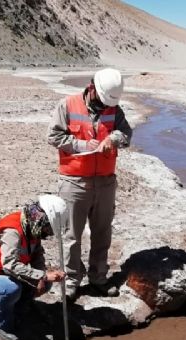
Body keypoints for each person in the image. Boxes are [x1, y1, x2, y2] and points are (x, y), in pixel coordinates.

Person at [47, 68, 132, 300]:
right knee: (71, 235)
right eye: (103, 100)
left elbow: (126, 133)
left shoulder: (114, 110)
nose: (105, 106)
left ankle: (98, 277)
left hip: (105, 182)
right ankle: (72, 280)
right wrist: (84, 145)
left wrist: (114, 138)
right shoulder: (68, 105)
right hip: (74, 182)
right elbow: (53, 136)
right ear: (92, 87)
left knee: (102, 232)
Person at [0, 195, 67, 340]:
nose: (47, 233)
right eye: (48, 228)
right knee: (11, 288)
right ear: (42, 220)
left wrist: (42, 277)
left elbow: (37, 256)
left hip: (2, 276)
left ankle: (16, 310)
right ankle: (2, 323)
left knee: (43, 282)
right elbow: (10, 265)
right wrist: (42, 276)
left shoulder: (31, 226)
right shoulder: (13, 231)